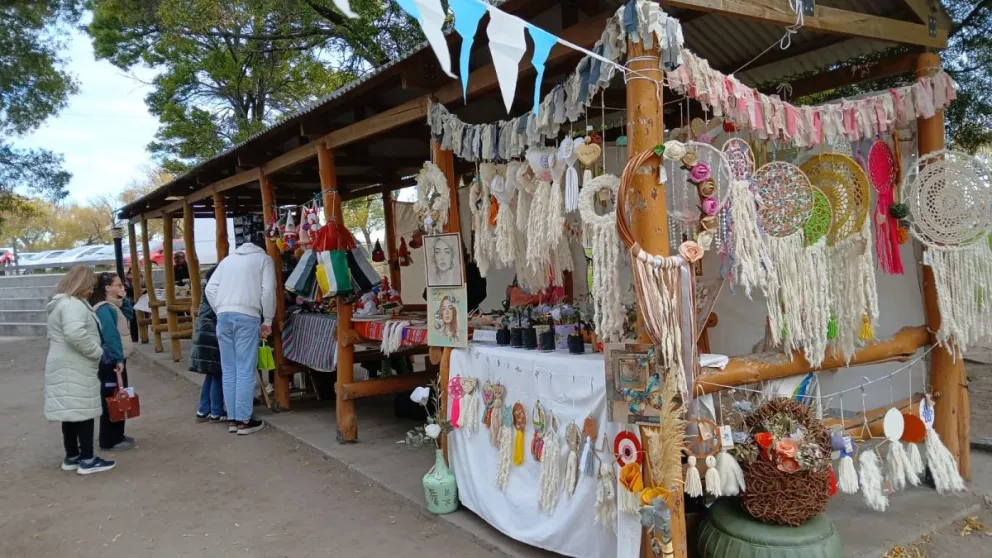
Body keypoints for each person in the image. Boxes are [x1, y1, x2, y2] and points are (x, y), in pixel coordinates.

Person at [44, 265, 116, 474]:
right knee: (84, 410)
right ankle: (87, 459)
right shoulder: (73, 305)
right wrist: (98, 352)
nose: (93, 289)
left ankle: (72, 455)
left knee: (70, 412)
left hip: (62, 362)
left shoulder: (59, 304)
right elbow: (75, 334)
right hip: (76, 364)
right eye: (91, 285)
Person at [205, 237, 274, 435]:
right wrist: (267, 319)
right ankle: (244, 420)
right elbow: (268, 290)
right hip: (247, 315)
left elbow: (210, 288)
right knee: (245, 369)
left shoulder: (227, 260)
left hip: (224, 316)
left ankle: (234, 419)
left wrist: (220, 308)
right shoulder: (263, 259)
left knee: (229, 370)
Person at [89, 272, 136, 451]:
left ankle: (118, 433)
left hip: (117, 357)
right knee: (111, 396)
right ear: (107, 287)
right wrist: (117, 357)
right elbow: (110, 334)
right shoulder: (104, 309)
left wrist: (125, 300)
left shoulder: (114, 306)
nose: (121, 287)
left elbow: (128, 317)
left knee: (120, 392)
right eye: (117, 285)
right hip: (110, 359)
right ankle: (109, 439)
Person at [190, 267, 225, 422]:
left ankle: (203, 410)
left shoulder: (207, 291)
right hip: (212, 334)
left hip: (203, 333)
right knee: (218, 372)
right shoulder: (216, 292)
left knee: (210, 374)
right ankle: (216, 411)